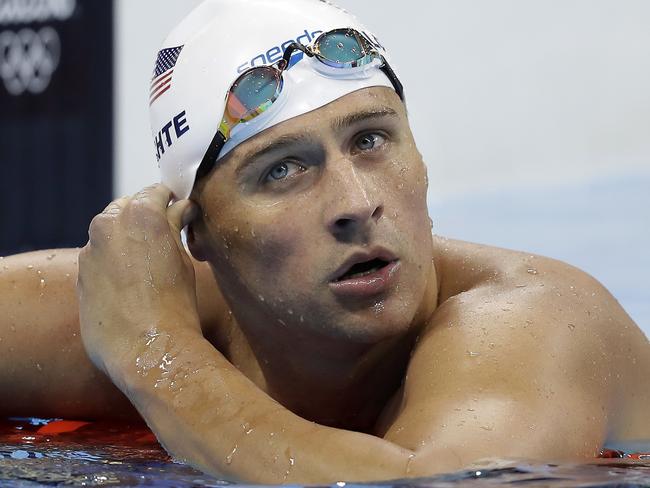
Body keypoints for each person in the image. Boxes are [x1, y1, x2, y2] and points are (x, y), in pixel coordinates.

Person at [1, 0, 648, 484]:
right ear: (199, 234)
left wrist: (153, 357)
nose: (356, 202)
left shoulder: (539, 319)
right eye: (282, 170)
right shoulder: (132, 303)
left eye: (371, 139)